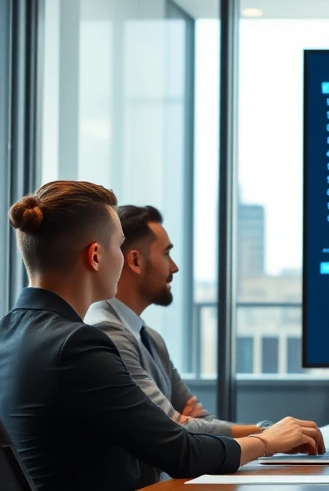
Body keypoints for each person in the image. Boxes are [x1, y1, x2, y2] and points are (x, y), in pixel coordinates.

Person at [0, 181, 325, 491]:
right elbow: (181, 452)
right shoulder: (77, 346)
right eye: (117, 245)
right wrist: (268, 441)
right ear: (96, 255)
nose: (122, 258)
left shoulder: (9, 335)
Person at [83, 205, 276, 483]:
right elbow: (175, 424)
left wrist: (189, 424)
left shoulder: (151, 338)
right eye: (166, 253)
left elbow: (196, 421)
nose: (174, 267)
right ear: (135, 262)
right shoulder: (105, 331)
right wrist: (266, 435)